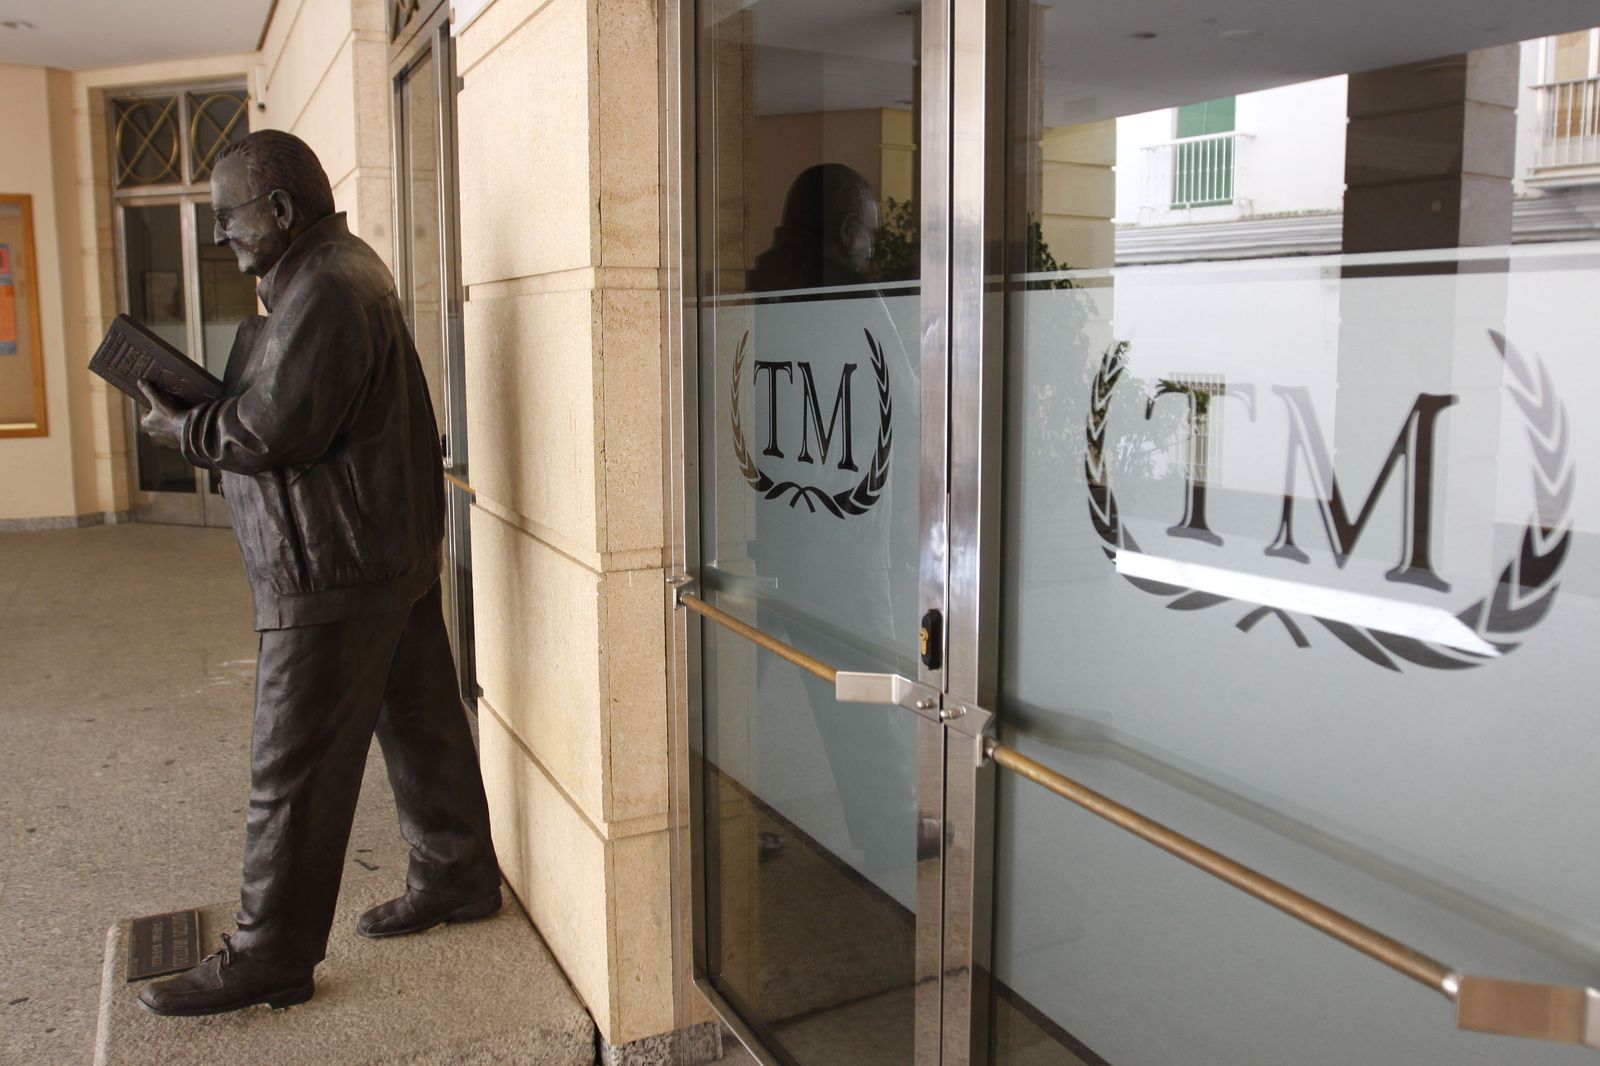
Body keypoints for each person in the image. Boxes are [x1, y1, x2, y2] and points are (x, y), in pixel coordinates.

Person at [133, 130, 500, 1017]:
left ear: (284, 210)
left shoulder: (327, 285)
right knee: (420, 723)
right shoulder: (330, 271)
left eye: (230, 218)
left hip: (334, 564)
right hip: (374, 548)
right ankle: (456, 874)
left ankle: (269, 955)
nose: (224, 238)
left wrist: (180, 429)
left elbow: (270, 431)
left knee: (290, 770)